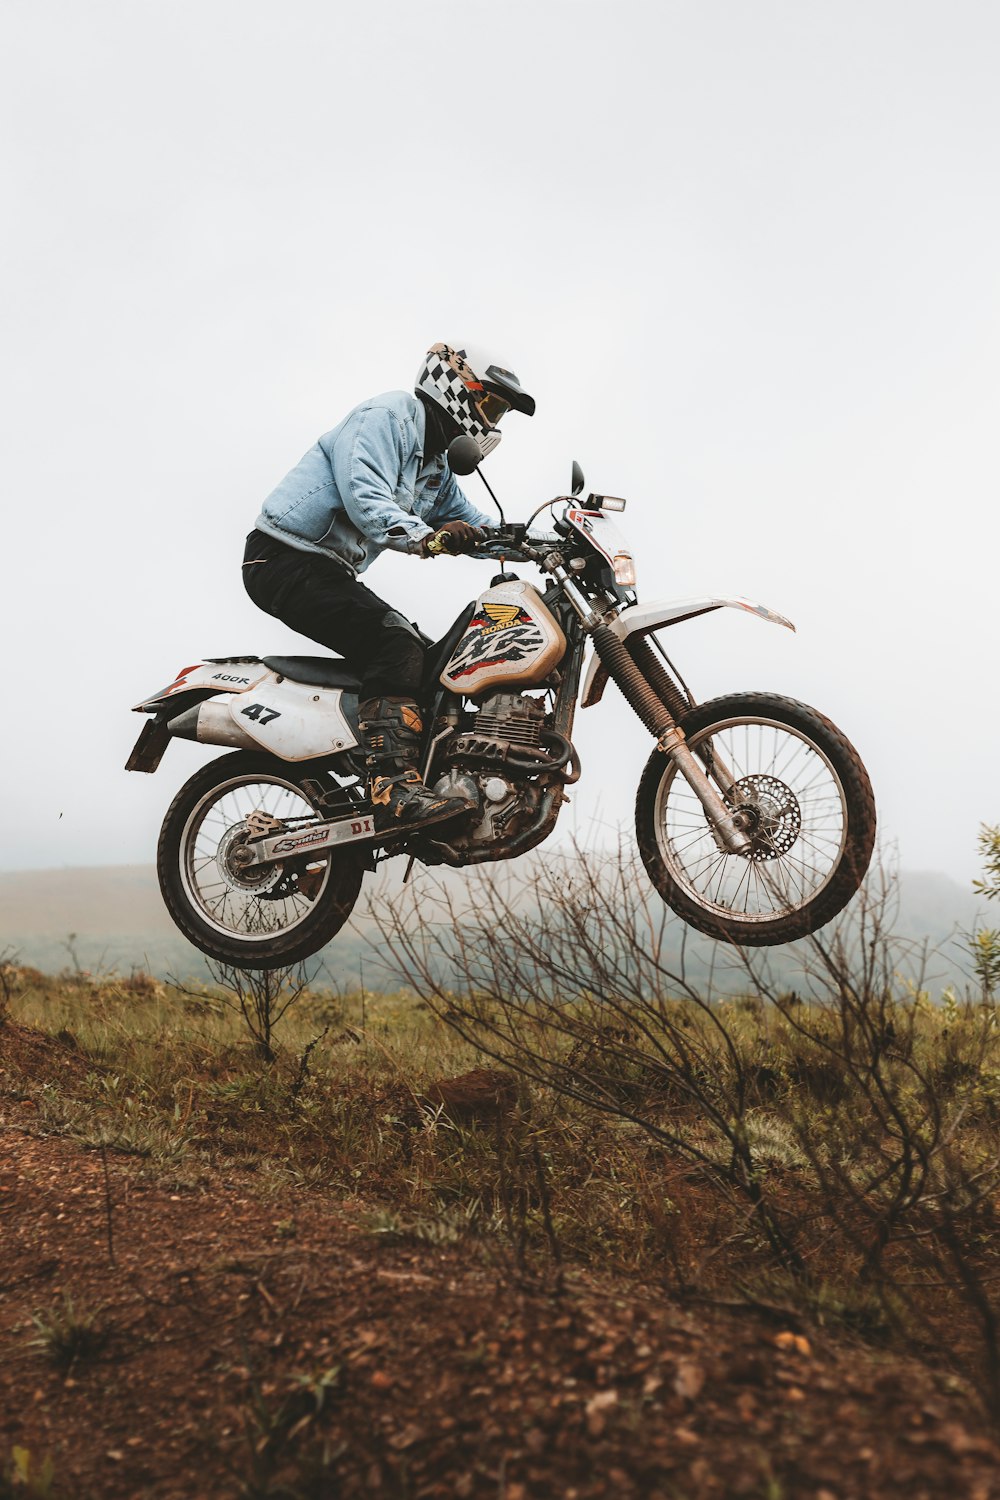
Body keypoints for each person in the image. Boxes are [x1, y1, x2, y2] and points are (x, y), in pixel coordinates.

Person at [243, 342, 536, 834]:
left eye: (499, 412)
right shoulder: (388, 417)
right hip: (281, 557)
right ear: (453, 386)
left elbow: (471, 524)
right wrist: (429, 537)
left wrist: (539, 543)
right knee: (394, 645)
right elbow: (366, 499)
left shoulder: (436, 464)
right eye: (490, 405)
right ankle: (392, 790)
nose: (491, 422)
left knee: (431, 659)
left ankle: (415, 773)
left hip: (326, 569)